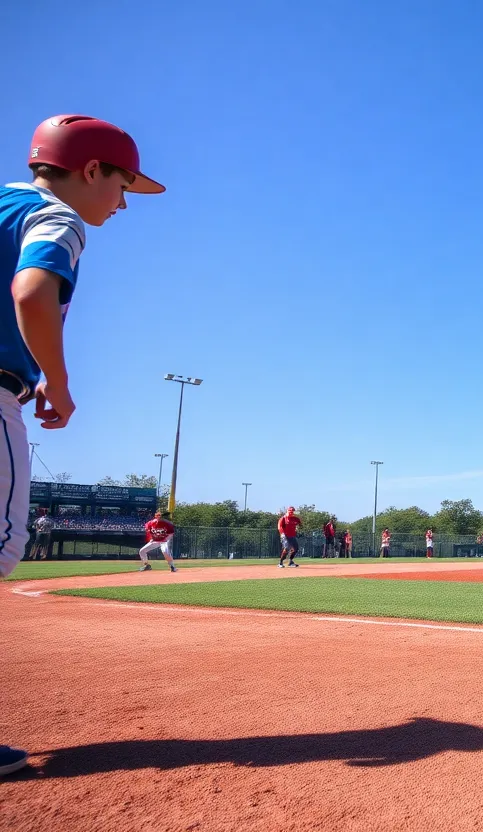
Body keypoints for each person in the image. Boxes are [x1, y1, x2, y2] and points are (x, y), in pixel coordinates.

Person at [0, 114, 163, 778]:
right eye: (121, 185)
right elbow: (33, 291)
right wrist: (58, 383)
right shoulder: (54, 216)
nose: (123, 203)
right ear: (91, 171)